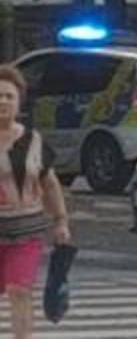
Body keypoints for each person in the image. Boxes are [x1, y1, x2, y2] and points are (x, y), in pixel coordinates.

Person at [1, 65, 72, 339]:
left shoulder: (34, 141)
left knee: (19, 290)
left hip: (25, 234)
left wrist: (61, 221)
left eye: (9, 96)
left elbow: (50, 184)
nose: (3, 102)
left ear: (19, 101)